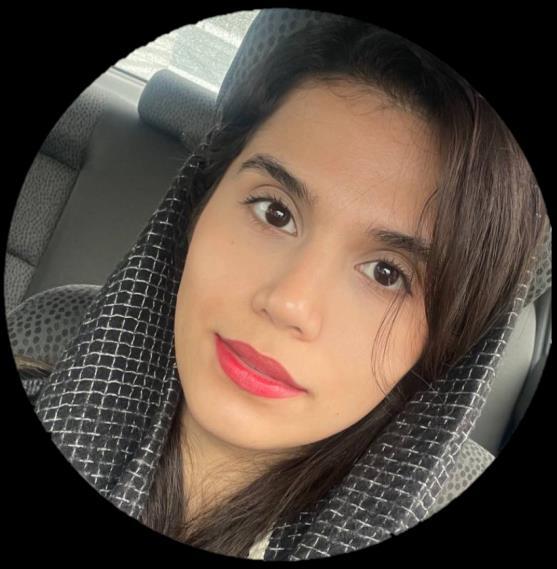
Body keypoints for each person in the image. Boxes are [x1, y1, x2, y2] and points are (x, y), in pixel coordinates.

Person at [10, 10, 549, 561]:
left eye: (387, 273)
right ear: (198, 205)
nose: (290, 302)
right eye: (274, 212)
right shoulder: (38, 363)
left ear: (445, 342)